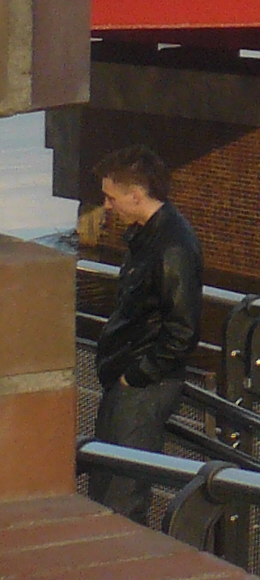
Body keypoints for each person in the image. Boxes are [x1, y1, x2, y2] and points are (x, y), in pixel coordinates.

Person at [86, 144, 201, 522]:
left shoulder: (172, 245)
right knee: (106, 476)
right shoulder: (151, 234)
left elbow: (181, 331)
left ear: (135, 195)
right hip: (129, 376)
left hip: (141, 382)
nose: (106, 205)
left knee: (122, 491)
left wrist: (136, 375)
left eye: (111, 196)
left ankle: (118, 563)